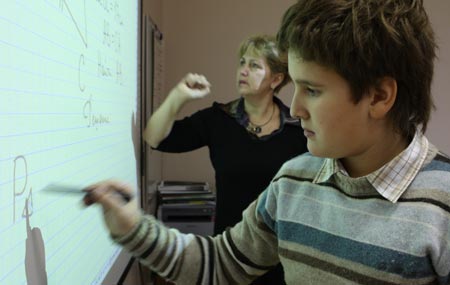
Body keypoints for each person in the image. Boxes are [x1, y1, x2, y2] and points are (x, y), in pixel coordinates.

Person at [83, 1, 450, 284]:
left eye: (312, 90)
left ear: (379, 96)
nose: (297, 107)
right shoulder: (292, 181)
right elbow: (220, 266)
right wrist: (133, 228)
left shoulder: (442, 206)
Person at [142, 34, 307, 284]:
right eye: (242, 63)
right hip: (230, 257)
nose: (243, 70)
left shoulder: (299, 130)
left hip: (282, 257)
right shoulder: (219, 120)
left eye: (254, 65)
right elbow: (154, 138)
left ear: (276, 79)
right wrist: (179, 95)